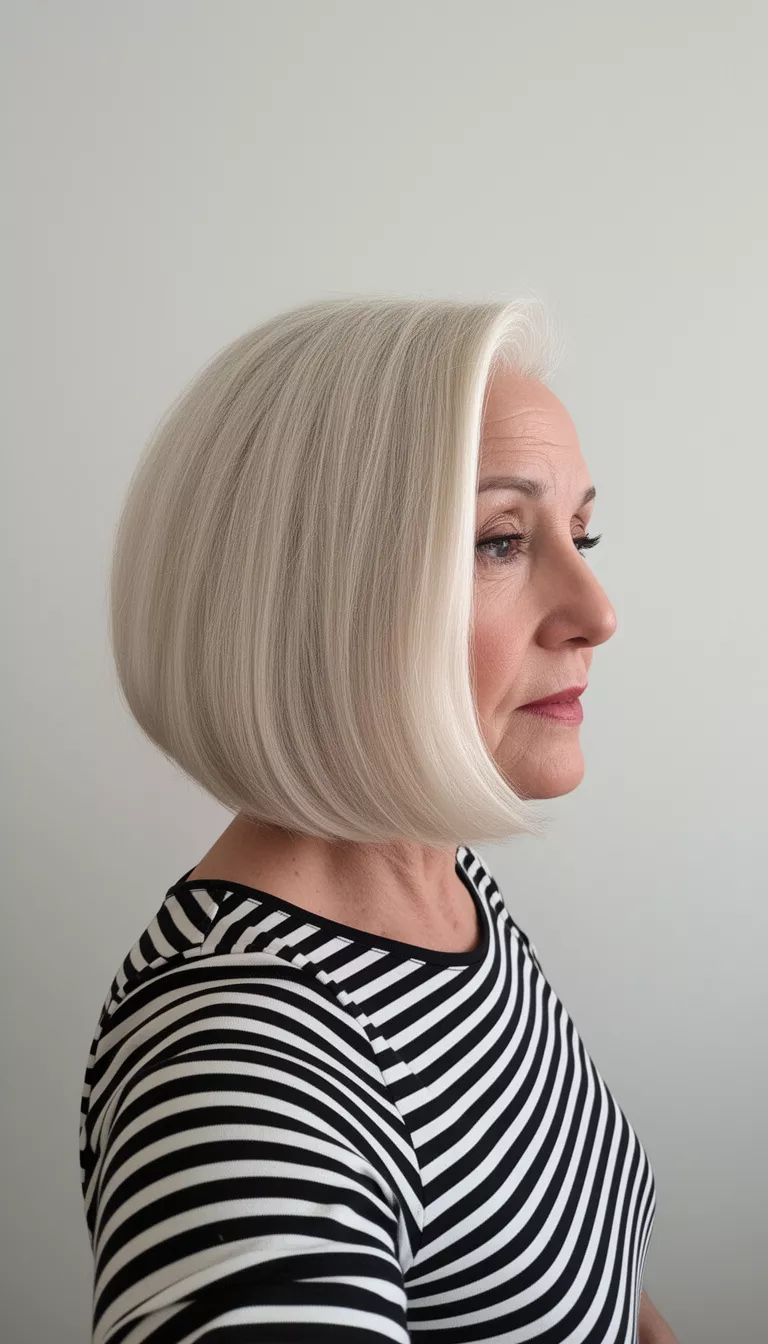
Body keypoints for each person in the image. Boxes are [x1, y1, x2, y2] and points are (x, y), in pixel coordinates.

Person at [80, 295, 678, 1343]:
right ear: (319, 596)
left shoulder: (447, 890)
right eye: (502, 540)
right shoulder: (242, 1066)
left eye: (582, 532)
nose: (599, 610)